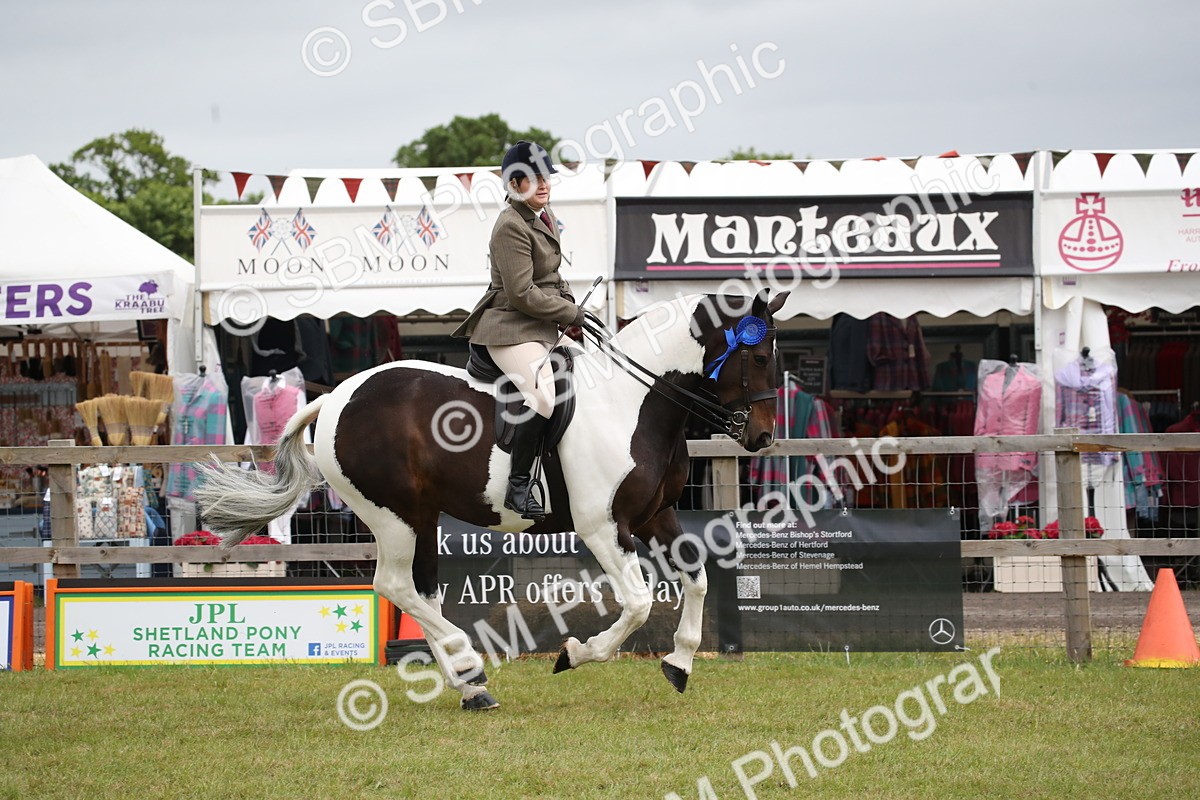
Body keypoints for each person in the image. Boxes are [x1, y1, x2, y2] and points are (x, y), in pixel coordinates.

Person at [452, 141, 584, 520]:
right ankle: (519, 485)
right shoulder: (510, 226)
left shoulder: (543, 214)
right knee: (543, 397)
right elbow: (523, 293)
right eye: (533, 178)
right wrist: (568, 313)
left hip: (537, 325)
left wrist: (575, 310)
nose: (543, 184)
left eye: (545, 177)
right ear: (514, 184)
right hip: (508, 327)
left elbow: (553, 276)